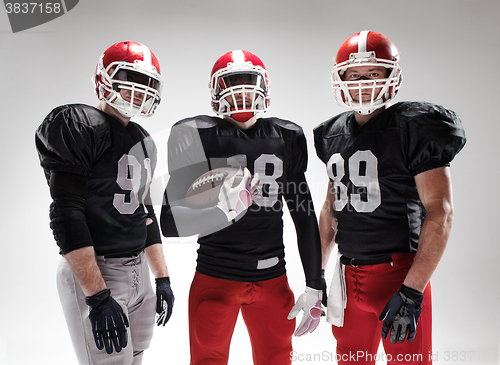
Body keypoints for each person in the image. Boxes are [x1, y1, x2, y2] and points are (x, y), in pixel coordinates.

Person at [160, 50, 324, 365]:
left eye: (248, 82)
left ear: (264, 87)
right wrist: (222, 211)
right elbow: (169, 221)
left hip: (273, 278)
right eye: (231, 82)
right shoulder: (195, 133)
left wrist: (315, 285)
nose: (240, 91)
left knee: (277, 359)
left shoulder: (286, 136)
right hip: (215, 277)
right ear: (215, 90)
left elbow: (303, 216)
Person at [313, 31, 466, 364]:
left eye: (373, 73)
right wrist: (316, 275)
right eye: (354, 75)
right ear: (340, 78)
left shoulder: (413, 126)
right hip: (348, 278)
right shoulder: (332, 134)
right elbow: (330, 212)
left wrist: (412, 290)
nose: (364, 83)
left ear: (391, 76)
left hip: (399, 277)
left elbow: (441, 211)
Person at [35, 41, 174, 365]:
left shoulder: (142, 139)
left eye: (146, 83)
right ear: (104, 77)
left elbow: (145, 215)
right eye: (129, 77)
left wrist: (162, 277)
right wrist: (97, 296)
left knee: (135, 356)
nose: (138, 89)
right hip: (98, 269)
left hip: (137, 268)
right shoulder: (79, 124)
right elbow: (67, 213)